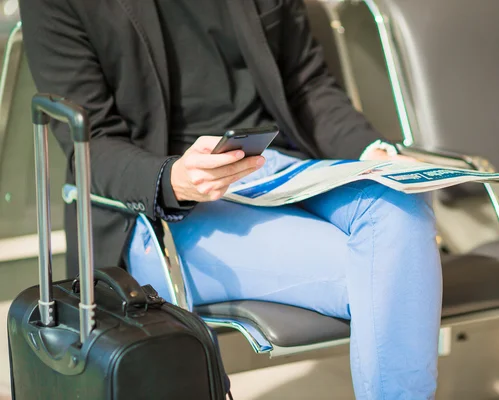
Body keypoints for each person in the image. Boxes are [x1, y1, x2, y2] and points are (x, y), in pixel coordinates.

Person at [19, 0, 442, 398]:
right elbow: (92, 143)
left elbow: (306, 84)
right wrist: (172, 179)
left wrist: (374, 152)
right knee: (391, 270)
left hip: (277, 165)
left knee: (403, 206)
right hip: (160, 206)